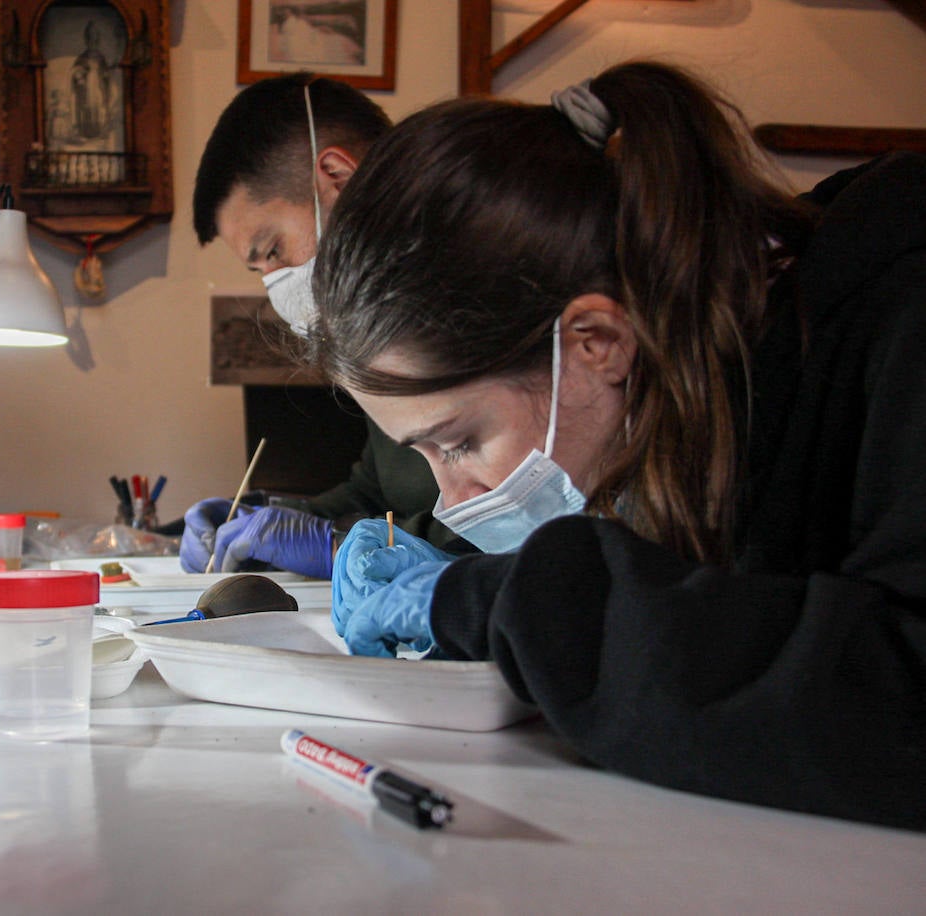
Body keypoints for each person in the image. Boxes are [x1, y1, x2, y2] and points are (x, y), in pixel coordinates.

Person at [309, 61, 925, 830]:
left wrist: (515, 603)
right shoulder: (691, 386)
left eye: (460, 441)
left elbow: (895, 701)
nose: (451, 499)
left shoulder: (898, 305)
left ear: (596, 342)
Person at [185, 73, 469, 578]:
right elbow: (376, 490)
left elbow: (502, 527)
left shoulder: (469, 300)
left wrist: (340, 546)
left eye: (273, 250)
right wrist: (269, 517)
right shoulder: (377, 324)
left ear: (336, 175)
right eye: (261, 270)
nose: (277, 284)